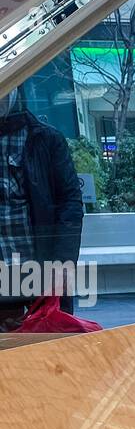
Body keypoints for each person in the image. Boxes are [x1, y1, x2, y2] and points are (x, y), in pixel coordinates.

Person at [0, 88, 83, 321]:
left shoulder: (44, 139)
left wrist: (62, 265)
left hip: (38, 269)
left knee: (45, 344)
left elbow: (70, 203)